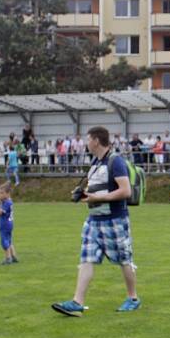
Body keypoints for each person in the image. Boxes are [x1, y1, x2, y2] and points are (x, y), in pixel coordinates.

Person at [51, 126, 140, 317]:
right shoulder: (95, 162)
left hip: (115, 220)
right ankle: (77, 303)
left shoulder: (116, 161)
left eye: (88, 139)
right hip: (93, 221)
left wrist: (97, 198)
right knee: (86, 259)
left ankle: (133, 298)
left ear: (96, 141)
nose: (86, 143)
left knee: (125, 260)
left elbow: (126, 191)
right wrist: (83, 194)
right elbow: (97, 189)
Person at [0, 182, 18, 265]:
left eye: (2, 193)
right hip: (9, 224)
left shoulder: (7, 202)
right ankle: (14, 256)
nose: (0, 195)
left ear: (8, 193)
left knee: (4, 241)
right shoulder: (8, 201)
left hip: (5, 224)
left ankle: (8, 258)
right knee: (9, 240)